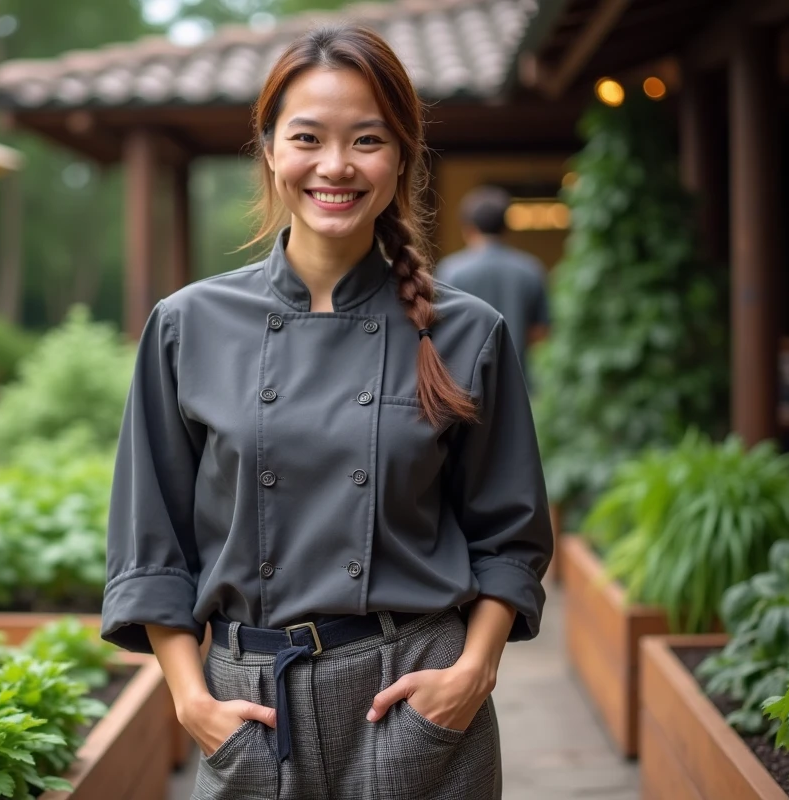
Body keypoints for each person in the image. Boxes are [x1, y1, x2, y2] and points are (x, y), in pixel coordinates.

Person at [101, 24, 552, 800]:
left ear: (402, 155)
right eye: (308, 137)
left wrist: (471, 676)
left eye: (367, 140)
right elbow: (152, 546)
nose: (336, 166)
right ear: (271, 150)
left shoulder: (469, 330)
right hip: (251, 709)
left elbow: (510, 537)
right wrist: (192, 701)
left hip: (416, 694)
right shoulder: (186, 325)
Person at [435, 186, 550, 381]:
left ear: (468, 228)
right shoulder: (531, 269)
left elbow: (439, 332)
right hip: (518, 380)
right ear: (506, 227)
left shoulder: (451, 271)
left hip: (464, 383)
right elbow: (540, 333)